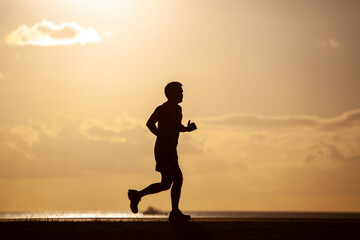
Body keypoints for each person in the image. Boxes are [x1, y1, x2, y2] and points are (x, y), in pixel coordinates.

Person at [128, 81, 197, 222]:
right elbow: (150, 123)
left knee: (166, 184)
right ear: (170, 94)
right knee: (178, 178)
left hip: (171, 150)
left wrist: (188, 129)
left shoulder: (178, 110)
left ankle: (137, 195)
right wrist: (160, 135)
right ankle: (175, 212)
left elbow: (177, 127)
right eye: (179, 92)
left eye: (182, 92)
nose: (182, 95)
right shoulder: (162, 109)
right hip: (163, 151)